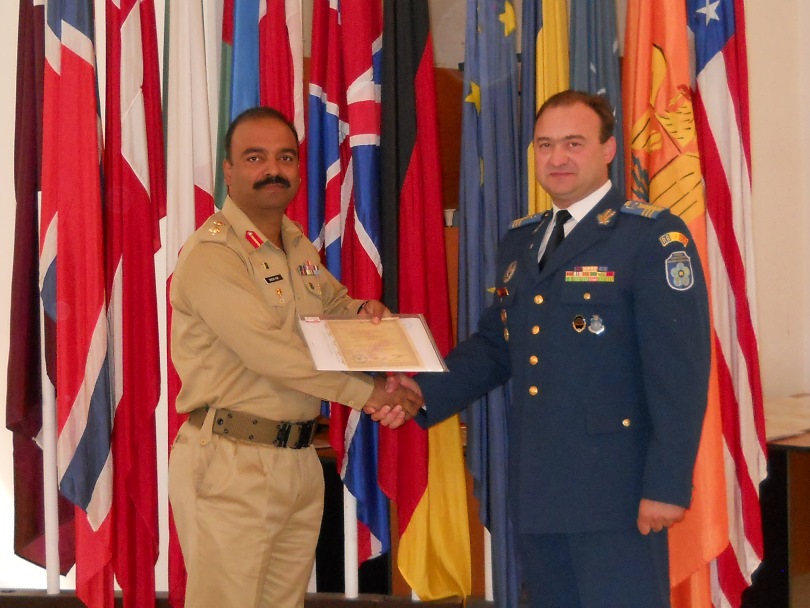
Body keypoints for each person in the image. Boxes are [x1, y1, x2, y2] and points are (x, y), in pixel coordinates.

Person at [378, 90, 711, 607]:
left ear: (608, 149)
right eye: (545, 145)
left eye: (574, 143)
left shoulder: (650, 236)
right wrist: (422, 392)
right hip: (540, 486)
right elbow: (497, 345)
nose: (557, 158)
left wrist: (666, 484)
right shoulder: (523, 240)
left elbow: (680, 373)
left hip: (617, 492)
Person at [168, 106, 421, 608]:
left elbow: (333, 306)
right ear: (228, 171)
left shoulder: (295, 244)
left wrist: (364, 315)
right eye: (255, 158)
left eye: (285, 158)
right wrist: (371, 393)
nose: (272, 170)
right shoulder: (213, 255)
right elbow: (273, 355)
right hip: (233, 461)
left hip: (299, 459)